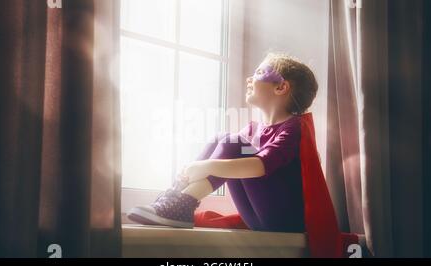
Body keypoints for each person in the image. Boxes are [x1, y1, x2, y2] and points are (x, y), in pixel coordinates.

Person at [128, 53, 318, 232]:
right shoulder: (253, 131)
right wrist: (198, 168)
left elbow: (263, 164)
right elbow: (226, 148)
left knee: (232, 142)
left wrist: (206, 166)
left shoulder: (295, 127)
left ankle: (183, 202)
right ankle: (174, 198)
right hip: (259, 217)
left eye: (259, 73)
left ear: (281, 87)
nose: (249, 79)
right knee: (221, 139)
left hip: (285, 220)